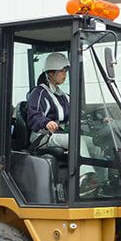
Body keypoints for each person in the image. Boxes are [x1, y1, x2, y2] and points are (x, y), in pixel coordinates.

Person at [26, 52, 99, 195]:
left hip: (59, 136)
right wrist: (46, 122)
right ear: (51, 73)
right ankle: (83, 180)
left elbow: (80, 113)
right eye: (62, 71)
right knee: (78, 141)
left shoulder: (63, 96)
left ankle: (98, 182)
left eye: (66, 71)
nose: (65, 74)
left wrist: (99, 119)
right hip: (43, 136)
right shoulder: (39, 93)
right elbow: (34, 116)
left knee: (95, 144)